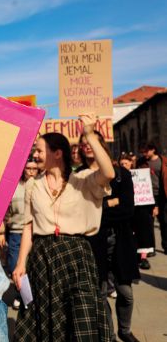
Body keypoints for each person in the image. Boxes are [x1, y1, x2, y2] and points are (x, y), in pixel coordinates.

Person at [12, 114, 115, 341]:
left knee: (79, 314)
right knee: (47, 314)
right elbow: (28, 225)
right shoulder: (32, 185)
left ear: (57, 153)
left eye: (39, 150)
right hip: (43, 256)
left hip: (76, 255)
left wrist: (89, 134)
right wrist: (21, 264)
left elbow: (109, 172)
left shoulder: (83, 180)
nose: (35, 155)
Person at [81, 133, 140, 342]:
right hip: (92, 242)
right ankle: (110, 335)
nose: (88, 146)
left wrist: (100, 208)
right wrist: (109, 203)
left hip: (120, 240)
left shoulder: (121, 175)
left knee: (126, 292)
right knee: (101, 292)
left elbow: (127, 209)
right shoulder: (79, 176)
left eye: (92, 142)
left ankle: (125, 330)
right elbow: (81, 212)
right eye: (84, 143)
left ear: (101, 145)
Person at [1, 159, 38, 309]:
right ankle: (21, 294)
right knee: (14, 265)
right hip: (16, 232)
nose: (31, 171)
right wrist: (1, 232)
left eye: (34, 169)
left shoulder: (41, 185)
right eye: (28, 168)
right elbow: (4, 211)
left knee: (31, 266)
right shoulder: (15, 187)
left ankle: (26, 298)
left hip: (36, 233)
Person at [138, 142, 167, 254]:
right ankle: (151, 248)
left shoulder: (163, 161)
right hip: (147, 194)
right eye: (142, 152)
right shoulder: (141, 162)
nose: (144, 154)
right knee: (148, 222)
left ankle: (166, 245)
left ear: (153, 150)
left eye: (146, 151)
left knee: (164, 221)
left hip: (162, 195)